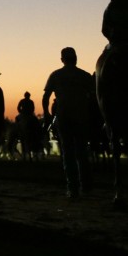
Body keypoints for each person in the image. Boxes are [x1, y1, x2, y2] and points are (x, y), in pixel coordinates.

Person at [42, 47, 96, 198]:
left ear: (62, 60)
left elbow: (46, 97)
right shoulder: (84, 75)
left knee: (67, 152)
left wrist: (47, 115)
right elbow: (93, 97)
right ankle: (86, 185)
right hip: (81, 116)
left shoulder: (56, 75)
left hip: (64, 116)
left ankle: (72, 188)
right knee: (82, 151)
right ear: (76, 58)